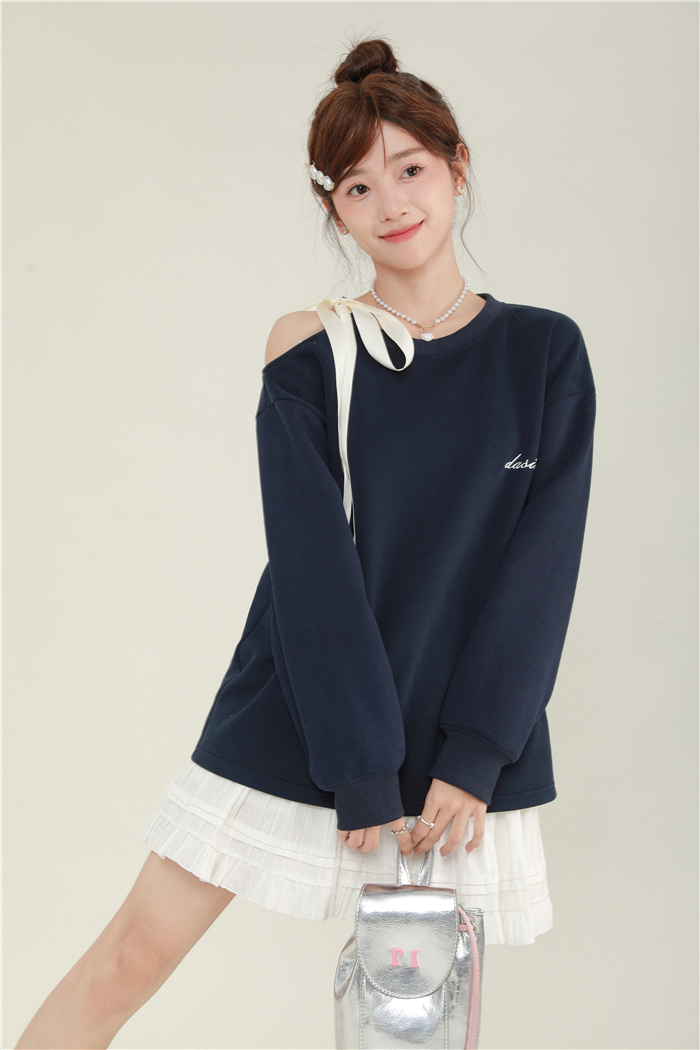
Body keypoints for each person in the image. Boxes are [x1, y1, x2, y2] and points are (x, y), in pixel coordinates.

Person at [15, 36, 596, 1050]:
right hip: (307, 712)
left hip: (460, 740)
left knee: (416, 1024)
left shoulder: (542, 351)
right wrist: (360, 764)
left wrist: (476, 752)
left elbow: (540, 568)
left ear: (457, 167)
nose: (391, 203)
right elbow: (311, 569)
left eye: (410, 169)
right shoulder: (310, 347)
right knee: (132, 957)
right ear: (335, 209)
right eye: (359, 186)